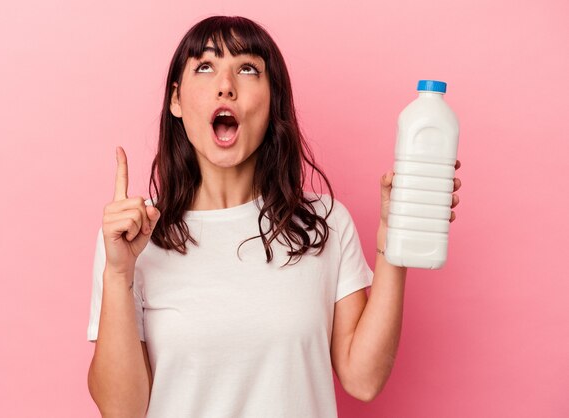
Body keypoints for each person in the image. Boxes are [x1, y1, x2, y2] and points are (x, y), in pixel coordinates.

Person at [86, 15, 461, 418]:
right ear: (176, 100)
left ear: (272, 99)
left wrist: (394, 238)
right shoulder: (136, 240)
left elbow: (363, 379)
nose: (225, 84)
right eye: (205, 66)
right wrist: (118, 275)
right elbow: (120, 411)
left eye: (247, 69)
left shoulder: (325, 223)